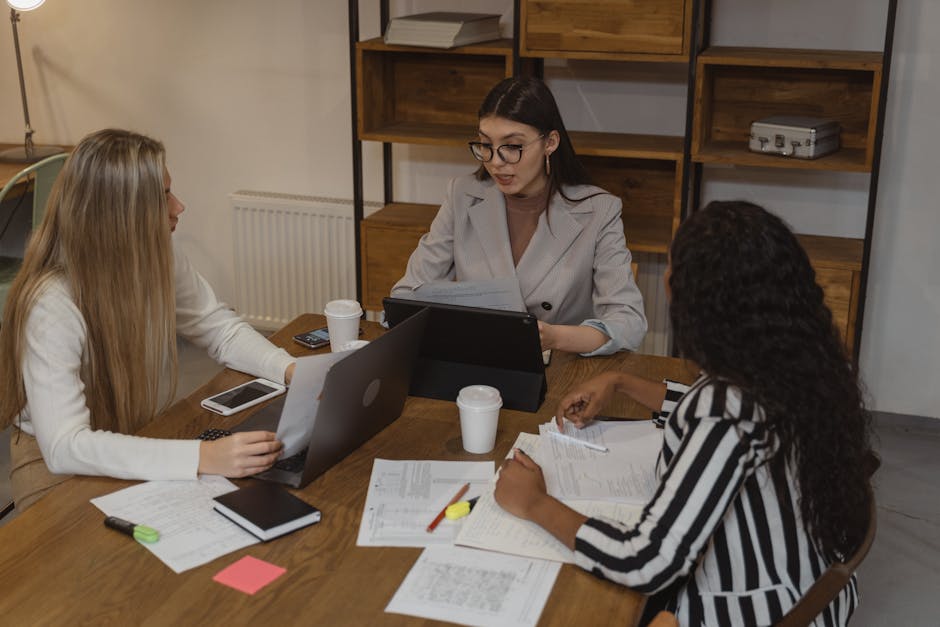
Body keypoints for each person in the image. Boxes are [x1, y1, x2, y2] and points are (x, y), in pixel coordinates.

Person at [494, 201, 874, 625]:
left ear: (697, 300)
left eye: (673, 269)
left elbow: (647, 561)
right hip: (809, 591)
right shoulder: (796, 366)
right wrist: (622, 383)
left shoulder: (725, 409)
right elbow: (731, 423)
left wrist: (534, 503)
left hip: (751, 611)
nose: (668, 279)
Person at [0, 129, 295, 513]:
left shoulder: (155, 255)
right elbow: (65, 446)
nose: (179, 206)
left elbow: (217, 327)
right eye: (163, 196)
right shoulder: (51, 302)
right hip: (55, 469)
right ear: (121, 215)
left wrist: (291, 369)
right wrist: (203, 456)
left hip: (123, 437)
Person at [392, 76, 646, 356]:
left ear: (550, 142)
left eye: (513, 147)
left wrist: (554, 337)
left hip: (561, 375)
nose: (496, 162)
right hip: (478, 363)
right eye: (485, 145)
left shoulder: (599, 211)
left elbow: (629, 322)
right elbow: (406, 295)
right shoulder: (462, 195)